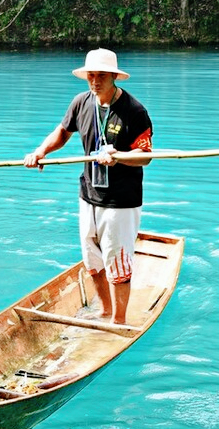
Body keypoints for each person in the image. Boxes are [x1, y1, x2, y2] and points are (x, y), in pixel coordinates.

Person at [24, 48, 153, 325]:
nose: (94, 81)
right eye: (90, 75)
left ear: (114, 77)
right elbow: (62, 132)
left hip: (121, 200)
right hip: (89, 195)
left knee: (117, 261)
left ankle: (119, 321)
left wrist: (118, 157)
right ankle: (105, 311)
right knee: (91, 258)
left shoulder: (134, 111)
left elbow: (145, 156)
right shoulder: (81, 102)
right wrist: (40, 152)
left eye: (101, 76)